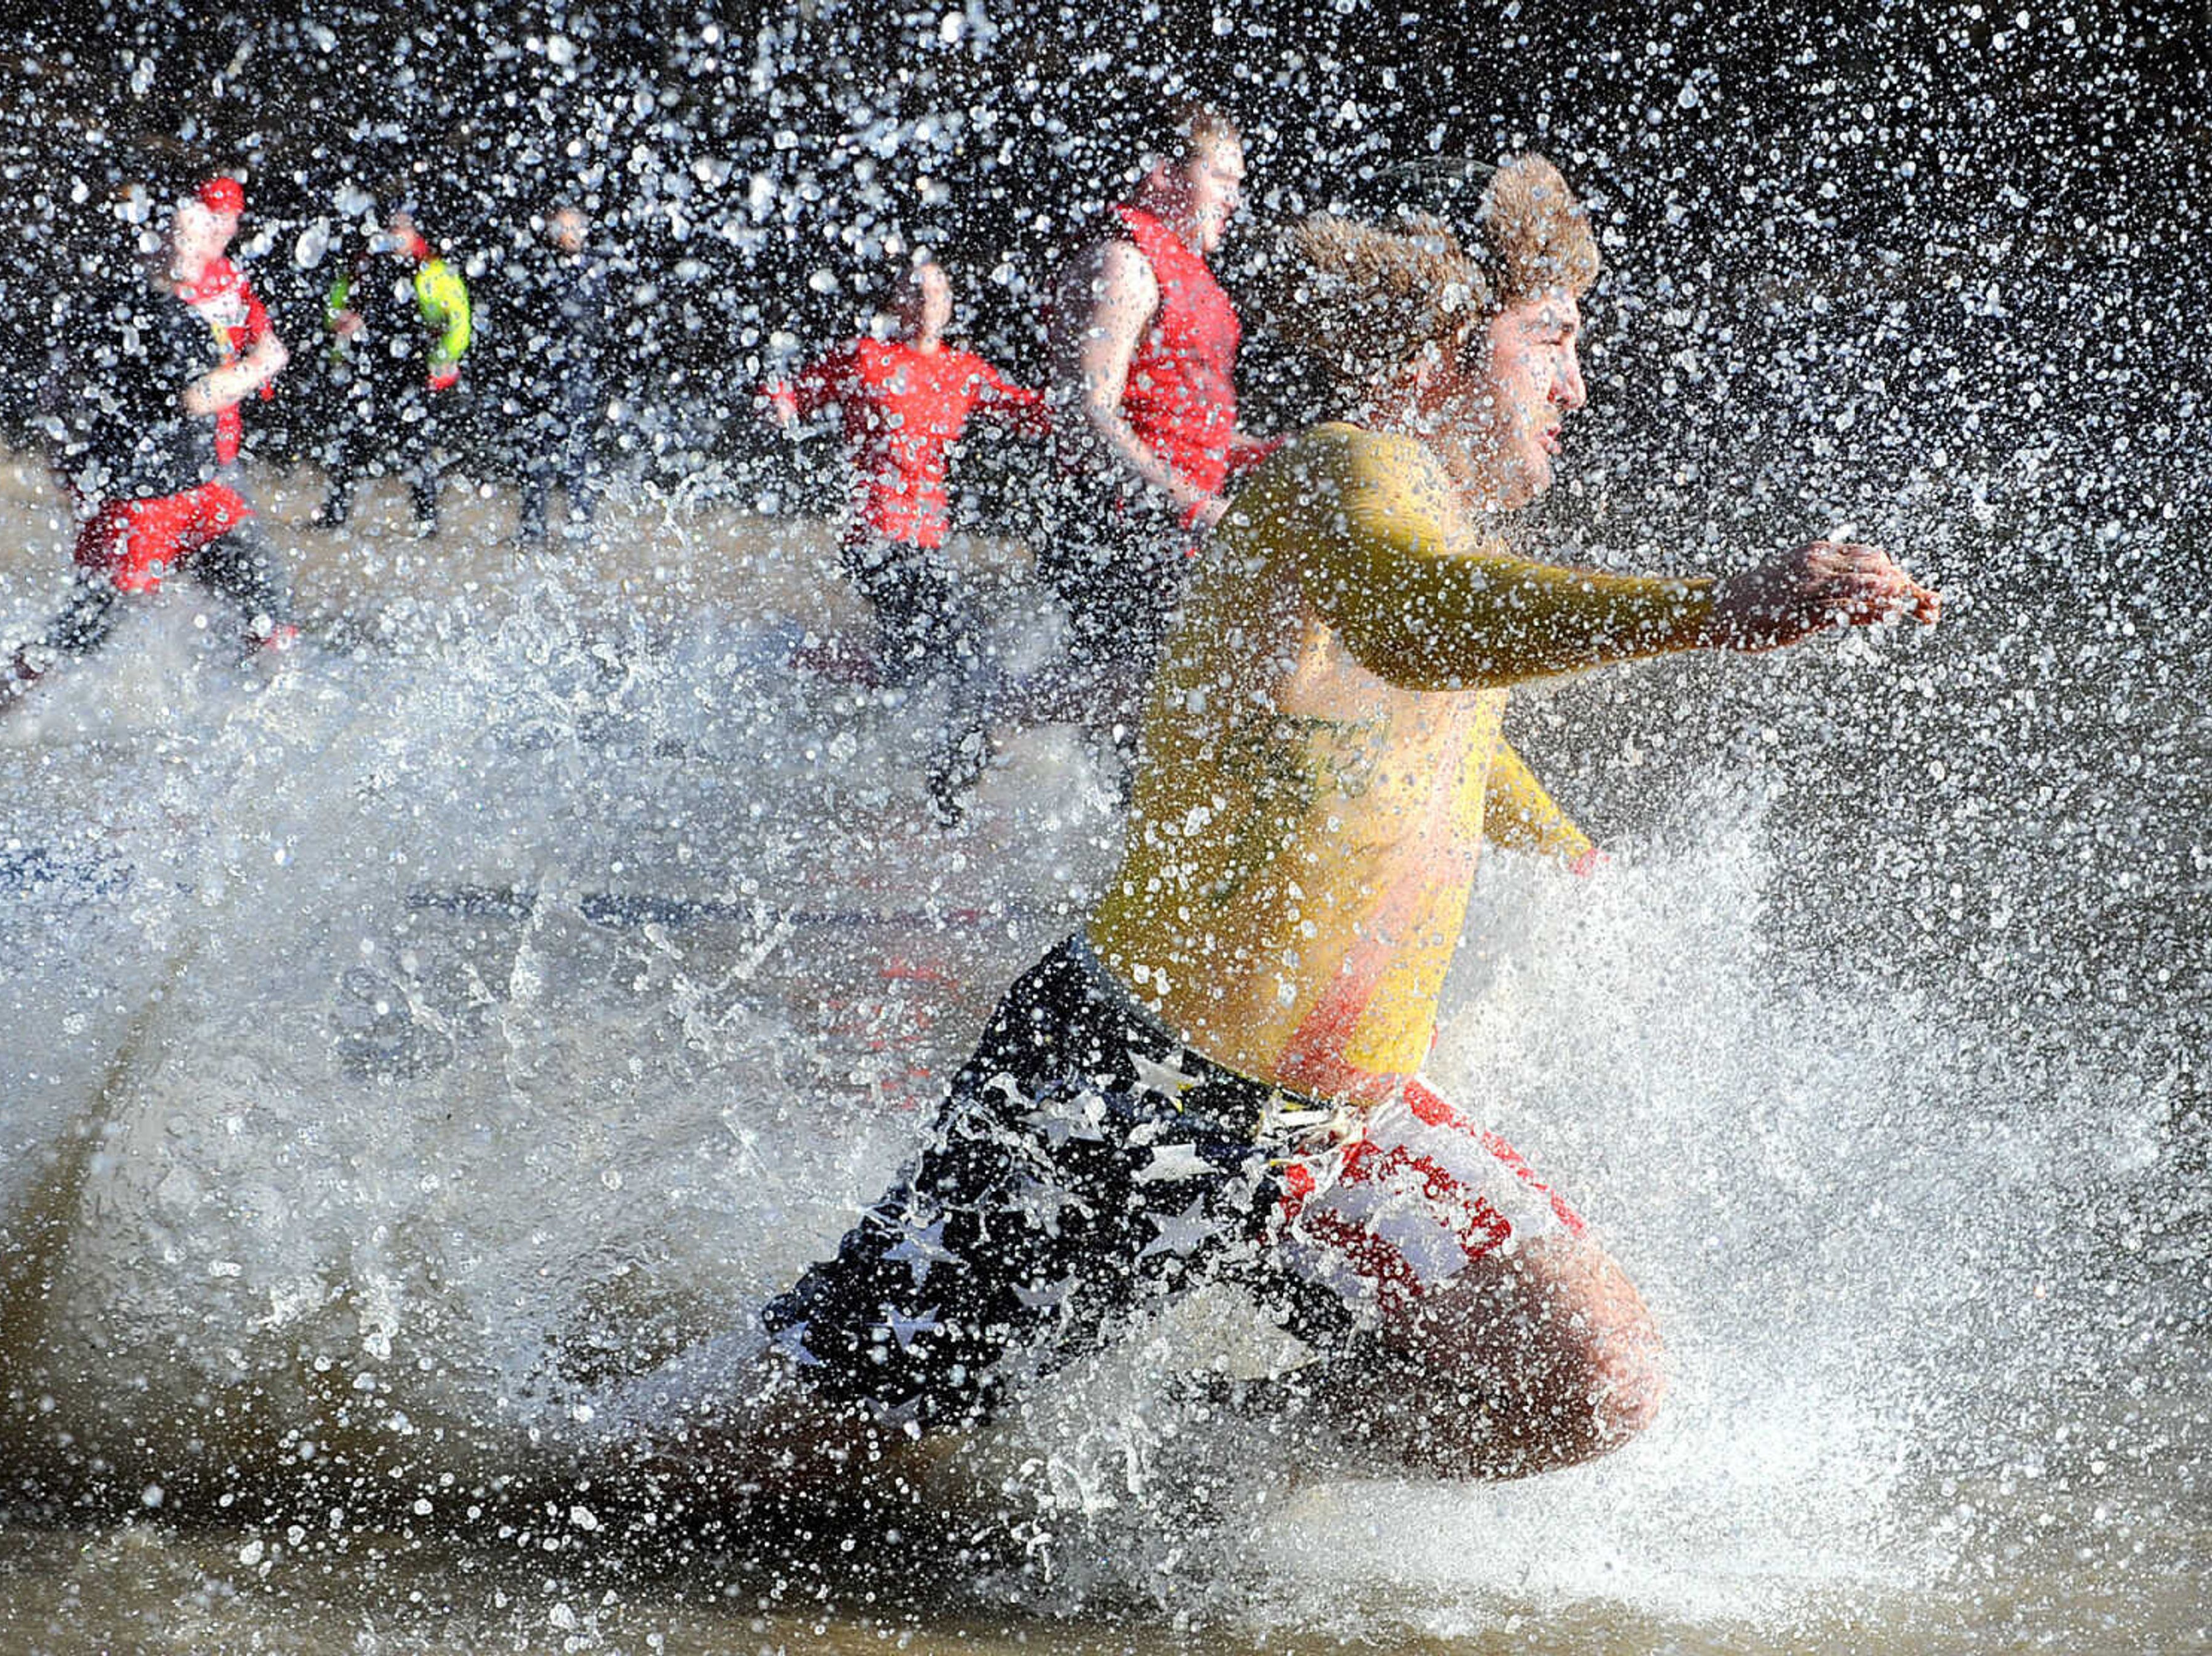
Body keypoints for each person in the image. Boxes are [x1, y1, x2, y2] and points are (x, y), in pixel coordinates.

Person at [753, 155, 1940, 1480]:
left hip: (1337, 1121)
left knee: (1591, 1378)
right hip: (1133, 1089)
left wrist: (1572, 852)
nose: (1576, 388)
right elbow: (1426, 625)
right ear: (1446, 348)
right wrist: (1709, 607)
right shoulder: (1346, 472)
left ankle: (1194, 1467)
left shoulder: (1439, 527)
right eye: (1550, 342)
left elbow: (1445, 727)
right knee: (764, 1459)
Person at [984, 100, 1278, 790]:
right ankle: (990, 709)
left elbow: (1180, 424)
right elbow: (1087, 414)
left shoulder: (1187, 272)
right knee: (1170, 686)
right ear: (1163, 174)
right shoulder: (1121, 262)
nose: (1236, 200)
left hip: (1166, 516)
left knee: (1168, 723)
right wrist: (1194, 504)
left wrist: (1263, 452)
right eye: (1221, 179)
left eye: (1239, 183)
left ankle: (1124, 861)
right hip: (1111, 521)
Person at [0, 185, 297, 736]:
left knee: (264, 595)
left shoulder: (110, 302)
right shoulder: (163, 315)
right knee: (88, 626)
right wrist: (265, 365)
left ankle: (262, 718)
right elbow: (197, 396)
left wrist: (65, 466)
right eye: (190, 237)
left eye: (205, 234)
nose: (204, 244)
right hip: (142, 505)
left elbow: (58, 389)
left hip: (198, 488)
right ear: (160, 247)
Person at [765, 260, 1047, 816]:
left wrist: (1105, 396)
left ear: (951, 306)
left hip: (925, 543)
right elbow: (793, 391)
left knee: (914, 663)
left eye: (940, 293)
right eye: (917, 291)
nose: (928, 303)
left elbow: (1031, 414)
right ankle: (951, 785)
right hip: (873, 537)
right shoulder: (866, 358)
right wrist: (778, 405)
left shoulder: (963, 372)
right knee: (970, 653)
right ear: (897, 300)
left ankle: (799, 665)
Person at [314, 205, 472, 536]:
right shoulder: (365, 264)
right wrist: (340, 323)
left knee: (419, 446)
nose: (395, 234)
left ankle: (426, 522)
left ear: (415, 233)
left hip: (415, 367)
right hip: (369, 366)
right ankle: (335, 515)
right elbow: (334, 306)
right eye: (391, 227)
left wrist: (441, 359)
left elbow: (460, 322)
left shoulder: (434, 269)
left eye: (402, 228)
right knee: (349, 441)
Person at [503, 204, 614, 545]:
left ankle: (580, 530)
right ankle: (532, 530)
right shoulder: (540, 269)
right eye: (560, 229)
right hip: (542, 377)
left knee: (577, 456)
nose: (568, 235)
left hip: (579, 377)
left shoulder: (594, 268)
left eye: (573, 228)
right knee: (536, 457)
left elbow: (600, 322)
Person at [171, 175, 279, 475]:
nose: (226, 228)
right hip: (184, 433)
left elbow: (263, 334)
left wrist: (264, 354)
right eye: (218, 217)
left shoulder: (232, 276)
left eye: (233, 219)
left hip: (224, 428)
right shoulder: (174, 279)